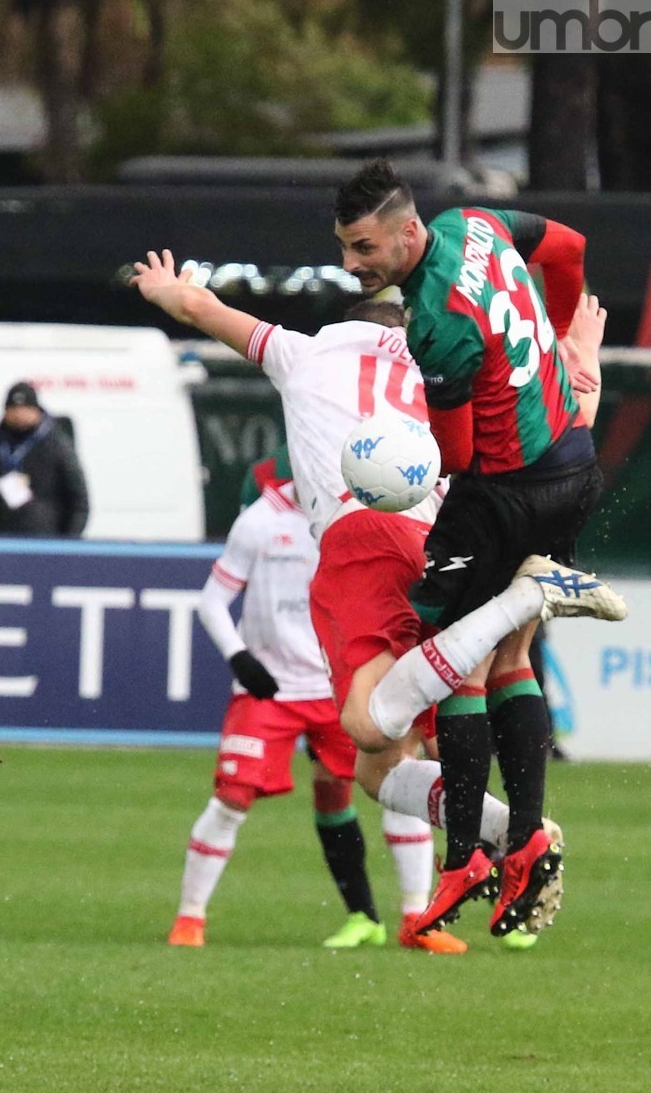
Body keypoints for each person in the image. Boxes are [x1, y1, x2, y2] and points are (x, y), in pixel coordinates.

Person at [132, 251, 619, 949]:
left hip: (360, 541)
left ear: (346, 323)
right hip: (442, 542)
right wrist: (581, 374)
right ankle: (513, 829)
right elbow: (551, 439)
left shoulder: (303, 353)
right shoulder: (449, 369)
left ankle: (522, 608)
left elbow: (203, 310)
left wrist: (167, 290)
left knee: (366, 726)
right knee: (382, 766)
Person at [333, 159, 625, 938]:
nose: (352, 265)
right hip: (573, 468)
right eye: (345, 249)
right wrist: (561, 338)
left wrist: (401, 463)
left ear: (405, 233)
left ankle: (467, 850)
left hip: (502, 495)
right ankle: (525, 831)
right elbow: (566, 246)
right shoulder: (480, 224)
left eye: (362, 248)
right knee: (511, 655)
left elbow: (456, 454)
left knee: (448, 648)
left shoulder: (434, 321)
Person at [169, 458, 466, 953]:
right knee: (233, 796)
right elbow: (211, 600)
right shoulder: (260, 519)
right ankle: (189, 918)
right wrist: (240, 658)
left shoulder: (357, 515)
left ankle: (416, 918)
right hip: (272, 691)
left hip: (340, 687)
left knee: (393, 782)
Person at [0, 381, 89, 536]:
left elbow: (78, 501)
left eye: (25, 408)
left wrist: (68, 542)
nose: (19, 414)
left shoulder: (58, 448)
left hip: (44, 541)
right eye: (14, 408)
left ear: (36, 410)